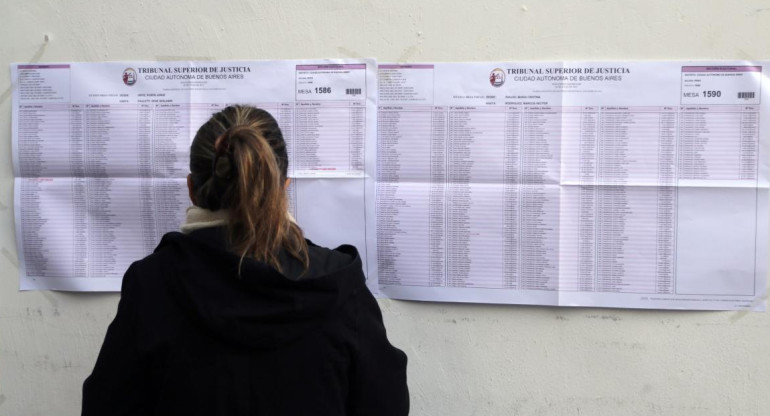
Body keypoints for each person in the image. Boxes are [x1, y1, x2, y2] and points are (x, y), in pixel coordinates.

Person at [82, 105, 409, 415]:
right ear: (282, 187)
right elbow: (384, 404)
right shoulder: (338, 287)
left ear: (192, 189)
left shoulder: (152, 285)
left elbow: (107, 405)